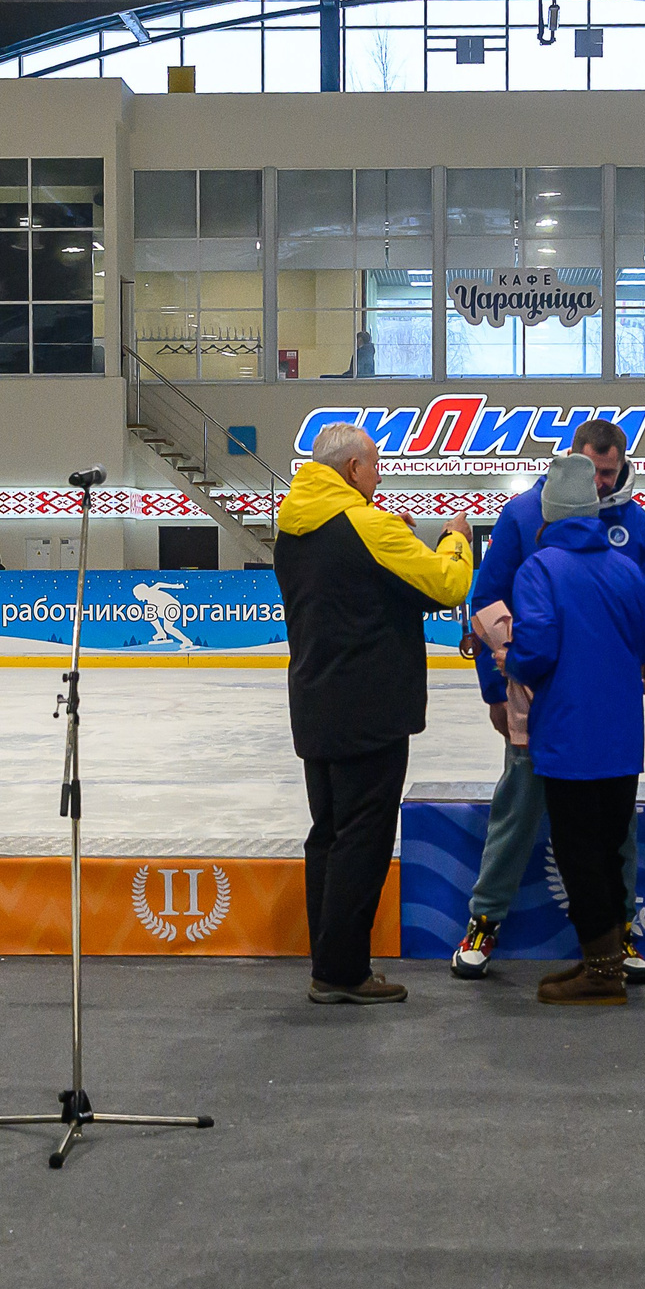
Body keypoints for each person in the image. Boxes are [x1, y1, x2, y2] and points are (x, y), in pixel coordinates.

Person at [452, 418, 645, 984]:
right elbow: (487, 599)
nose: (601, 483)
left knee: (614, 827)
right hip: (538, 704)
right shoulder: (523, 515)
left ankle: (617, 933)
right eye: (592, 472)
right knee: (519, 807)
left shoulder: (636, 526)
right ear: (570, 461)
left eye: (610, 473)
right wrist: (496, 690)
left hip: (602, 706)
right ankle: (484, 920)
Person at [273, 423, 473, 1004]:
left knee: (328, 836)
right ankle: (343, 973)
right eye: (376, 465)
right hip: (371, 708)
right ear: (353, 469)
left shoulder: (293, 524)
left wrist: (391, 536)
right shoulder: (369, 526)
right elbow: (447, 586)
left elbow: (354, 580)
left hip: (316, 701)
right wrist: (455, 539)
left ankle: (329, 964)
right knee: (362, 839)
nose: (380, 477)